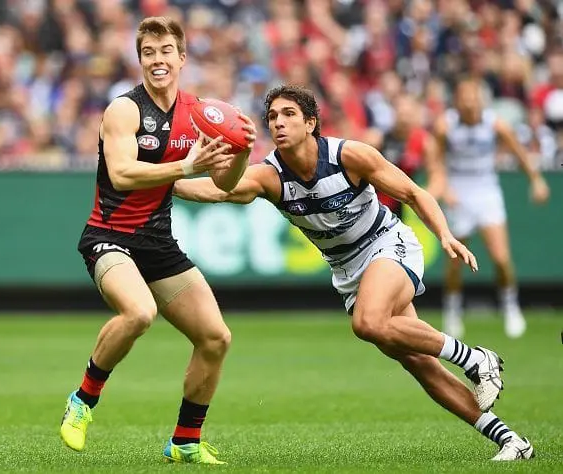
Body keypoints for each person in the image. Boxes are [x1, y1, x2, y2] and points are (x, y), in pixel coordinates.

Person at [173, 85, 534, 461]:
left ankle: (477, 359)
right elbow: (214, 191)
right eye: (272, 117)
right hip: (347, 271)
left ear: (311, 123)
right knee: (420, 363)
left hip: (387, 244)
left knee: (368, 323)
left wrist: (444, 234)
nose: (278, 122)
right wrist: (162, 178)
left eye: (288, 114)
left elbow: (413, 193)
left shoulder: (350, 155)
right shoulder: (269, 177)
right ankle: (512, 441)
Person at [60, 16, 256, 465]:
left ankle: (185, 441)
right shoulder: (123, 110)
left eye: (166, 50)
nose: (157, 60)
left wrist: (242, 150)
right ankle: (82, 402)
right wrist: (188, 167)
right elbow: (123, 174)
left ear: (182, 57)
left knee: (215, 337)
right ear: (141, 60)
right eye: (148, 52)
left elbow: (224, 182)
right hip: (108, 238)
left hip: (157, 243)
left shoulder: (200, 112)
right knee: (139, 312)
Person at [434, 78, 550, 339]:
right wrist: (446, 189)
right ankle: (452, 312)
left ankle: (510, 306)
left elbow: (519, 152)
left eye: (473, 97)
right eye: (464, 97)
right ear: (457, 101)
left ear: (481, 100)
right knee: (455, 262)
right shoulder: (445, 126)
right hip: (459, 194)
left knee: (500, 258)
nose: (469, 103)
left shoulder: (495, 124)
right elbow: (436, 161)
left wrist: (536, 179)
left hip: (487, 192)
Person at [364, 93, 445, 218]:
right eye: (401, 114)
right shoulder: (377, 140)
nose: (404, 119)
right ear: (393, 114)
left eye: (408, 115)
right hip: (380, 208)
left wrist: (426, 198)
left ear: (416, 115)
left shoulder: (424, 142)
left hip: (410, 207)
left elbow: (437, 176)